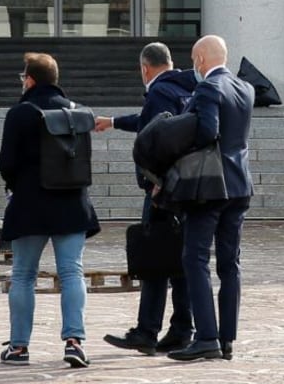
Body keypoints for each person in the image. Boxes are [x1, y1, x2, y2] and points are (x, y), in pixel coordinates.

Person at [0, 52, 98, 368]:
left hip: (30, 204)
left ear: (30, 79)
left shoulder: (20, 113)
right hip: (71, 203)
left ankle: (19, 348)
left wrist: (19, 184)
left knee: (24, 275)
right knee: (72, 272)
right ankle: (74, 342)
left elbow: (6, 163)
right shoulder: (77, 113)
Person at [94, 42, 198, 355]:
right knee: (181, 262)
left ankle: (146, 331)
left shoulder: (158, 92)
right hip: (190, 187)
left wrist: (154, 184)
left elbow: (155, 138)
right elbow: (150, 122)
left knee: (153, 260)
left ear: (145, 68)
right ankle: (182, 329)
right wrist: (113, 122)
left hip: (164, 190)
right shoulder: (187, 89)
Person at [169, 35, 255, 364]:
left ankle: (206, 337)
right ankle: (227, 338)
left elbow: (206, 131)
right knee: (230, 264)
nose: (194, 66)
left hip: (210, 187)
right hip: (240, 185)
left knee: (195, 259)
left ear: (201, 60)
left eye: (194, 60)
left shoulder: (207, 88)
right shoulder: (244, 88)